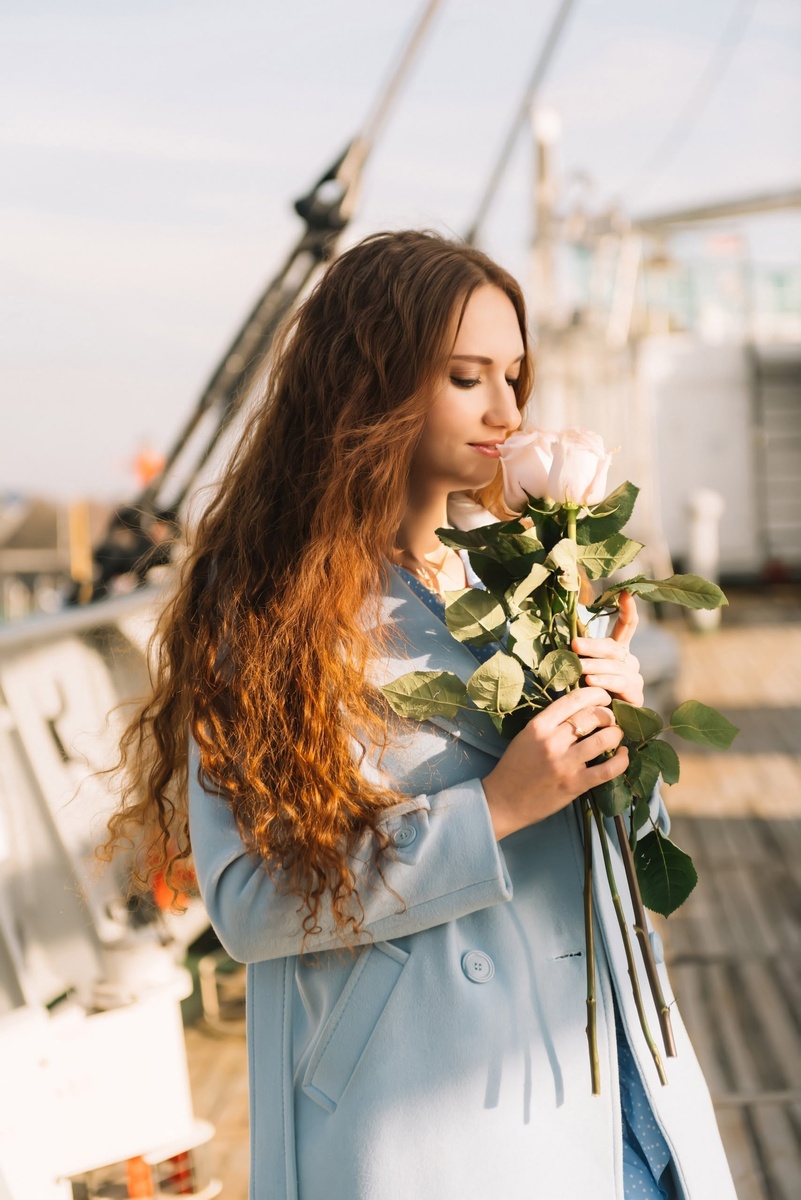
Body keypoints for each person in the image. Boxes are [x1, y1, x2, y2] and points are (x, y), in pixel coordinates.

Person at [107, 231, 736, 1200]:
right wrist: (494, 808)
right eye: (464, 376)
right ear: (372, 383)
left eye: (514, 375)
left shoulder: (528, 566)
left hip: (612, 1086)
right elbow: (245, 902)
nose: (506, 410)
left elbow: (617, 861)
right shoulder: (268, 608)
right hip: (436, 1117)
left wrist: (617, 738)